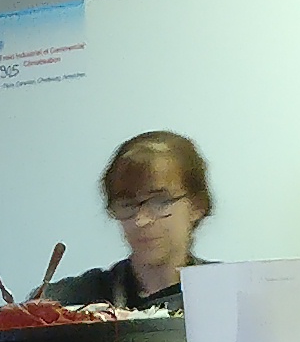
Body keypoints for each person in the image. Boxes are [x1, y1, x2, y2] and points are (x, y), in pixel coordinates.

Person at [44, 132, 208, 312]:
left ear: (197, 206)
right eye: (127, 204)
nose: (141, 220)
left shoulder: (224, 293)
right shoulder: (69, 302)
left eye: (159, 201)